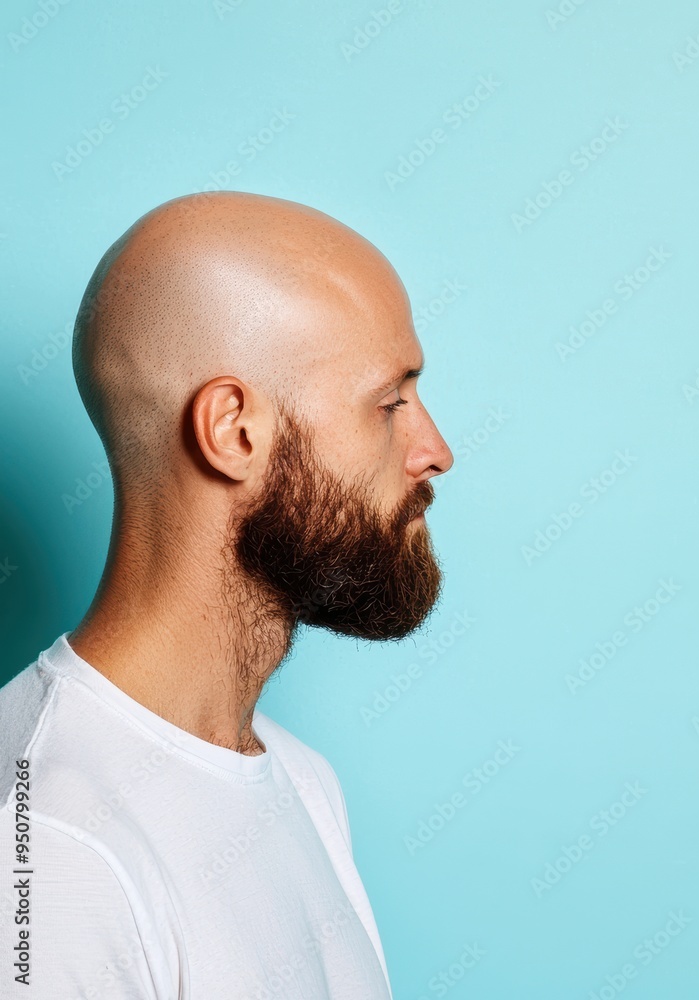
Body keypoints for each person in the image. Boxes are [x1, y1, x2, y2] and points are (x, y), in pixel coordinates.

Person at [0, 191, 454, 998]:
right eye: (389, 402)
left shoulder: (303, 782)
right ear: (234, 432)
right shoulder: (47, 847)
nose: (434, 451)